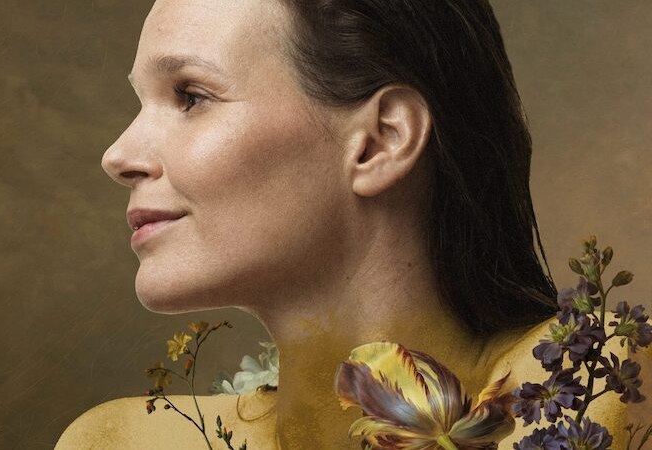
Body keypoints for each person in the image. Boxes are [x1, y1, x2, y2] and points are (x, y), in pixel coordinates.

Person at [56, 0, 637, 448]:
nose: (118, 155)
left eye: (190, 96)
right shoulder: (123, 440)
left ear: (381, 141)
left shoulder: (593, 379)